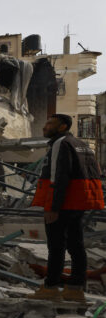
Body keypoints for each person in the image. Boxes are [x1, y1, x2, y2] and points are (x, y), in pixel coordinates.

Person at [28, 114, 104, 302]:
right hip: (79, 202)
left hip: (63, 203)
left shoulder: (59, 144)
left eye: (50, 124)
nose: (45, 127)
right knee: (76, 245)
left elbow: (58, 177)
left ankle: (51, 286)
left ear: (62, 127)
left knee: (56, 246)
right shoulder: (82, 145)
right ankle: (75, 288)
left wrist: (52, 207)